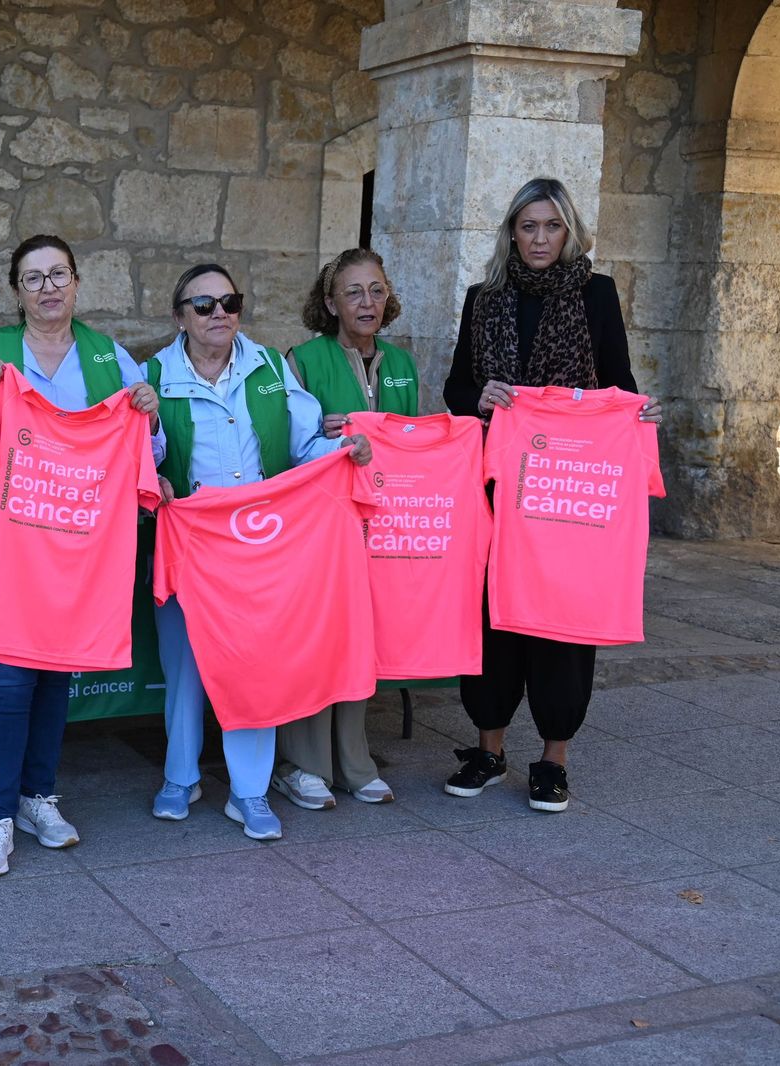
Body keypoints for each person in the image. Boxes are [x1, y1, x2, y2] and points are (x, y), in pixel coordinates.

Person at [0, 233, 164, 876]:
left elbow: (150, 458)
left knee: (57, 676)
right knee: (9, 681)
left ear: (76, 282)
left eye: (58, 275)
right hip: (12, 550)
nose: (47, 288)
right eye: (33, 278)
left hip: (80, 548)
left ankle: (39, 796)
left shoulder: (109, 357)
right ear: (16, 290)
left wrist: (147, 415)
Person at [442, 176, 663, 813]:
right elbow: (458, 386)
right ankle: (488, 747)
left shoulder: (596, 294)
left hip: (567, 489)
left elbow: (617, 381)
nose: (540, 238)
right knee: (493, 617)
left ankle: (552, 759)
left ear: (569, 232)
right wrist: (479, 396)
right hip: (497, 483)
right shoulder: (483, 299)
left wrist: (634, 416)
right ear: (512, 231)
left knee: (564, 622)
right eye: (529, 226)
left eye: (552, 226)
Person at [144, 263, 370, 839]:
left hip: (260, 546)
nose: (220, 313)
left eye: (230, 301)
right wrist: (153, 477)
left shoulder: (269, 366)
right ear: (180, 318)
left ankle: (248, 790)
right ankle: (180, 776)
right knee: (186, 668)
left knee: (256, 669)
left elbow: (305, 445)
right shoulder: (153, 376)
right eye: (204, 305)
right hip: (190, 542)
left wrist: (344, 448)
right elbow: (139, 453)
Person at [272, 248, 412, 812]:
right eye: (353, 291)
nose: (367, 302)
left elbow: (410, 441)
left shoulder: (402, 363)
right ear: (329, 303)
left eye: (376, 290)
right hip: (320, 523)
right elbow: (288, 444)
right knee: (315, 640)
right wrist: (325, 437)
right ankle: (301, 764)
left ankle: (355, 761)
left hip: (382, 523)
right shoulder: (301, 359)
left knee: (361, 640)